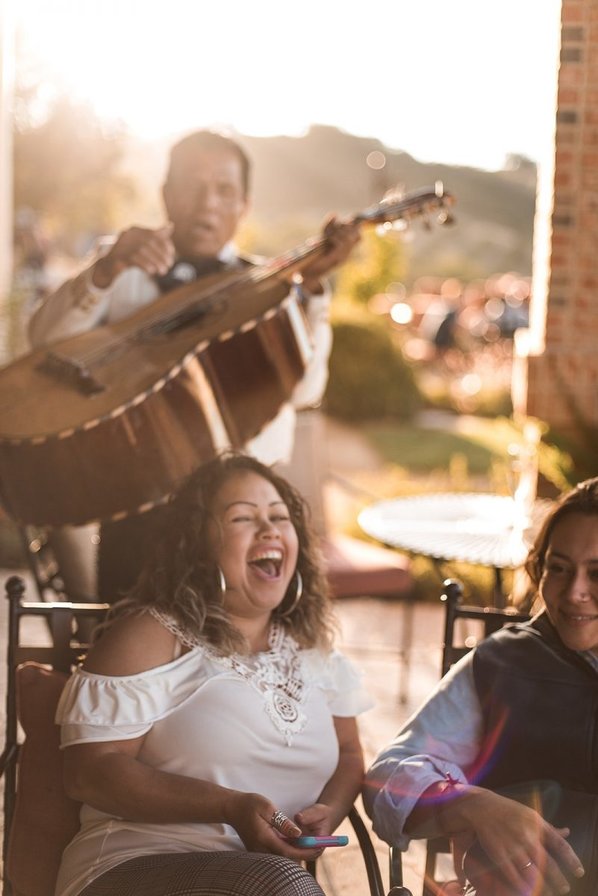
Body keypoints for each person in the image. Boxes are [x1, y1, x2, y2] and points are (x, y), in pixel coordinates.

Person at [27, 129, 361, 601]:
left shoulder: (269, 288)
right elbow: (45, 342)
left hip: (244, 519)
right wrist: (104, 270)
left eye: (224, 190)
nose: (208, 203)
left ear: (244, 205)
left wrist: (310, 293)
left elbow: (305, 391)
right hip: (136, 511)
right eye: (193, 185)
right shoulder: (121, 268)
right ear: (166, 194)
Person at [53, 451, 372, 896]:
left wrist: (328, 811)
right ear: (197, 545)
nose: (269, 530)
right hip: (135, 868)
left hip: (265, 883)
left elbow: (349, 752)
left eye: (280, 517)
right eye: (243, 518)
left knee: (277, 883)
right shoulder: (154, 634)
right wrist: (228, 806)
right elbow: (88, 772)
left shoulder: (315, 652)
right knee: (278, 883)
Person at [363, 477, 598, 896]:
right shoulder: (500, 666)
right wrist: (468, 804)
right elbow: (386, 780)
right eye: (558, 568)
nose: (575, 591)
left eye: (597, 573)